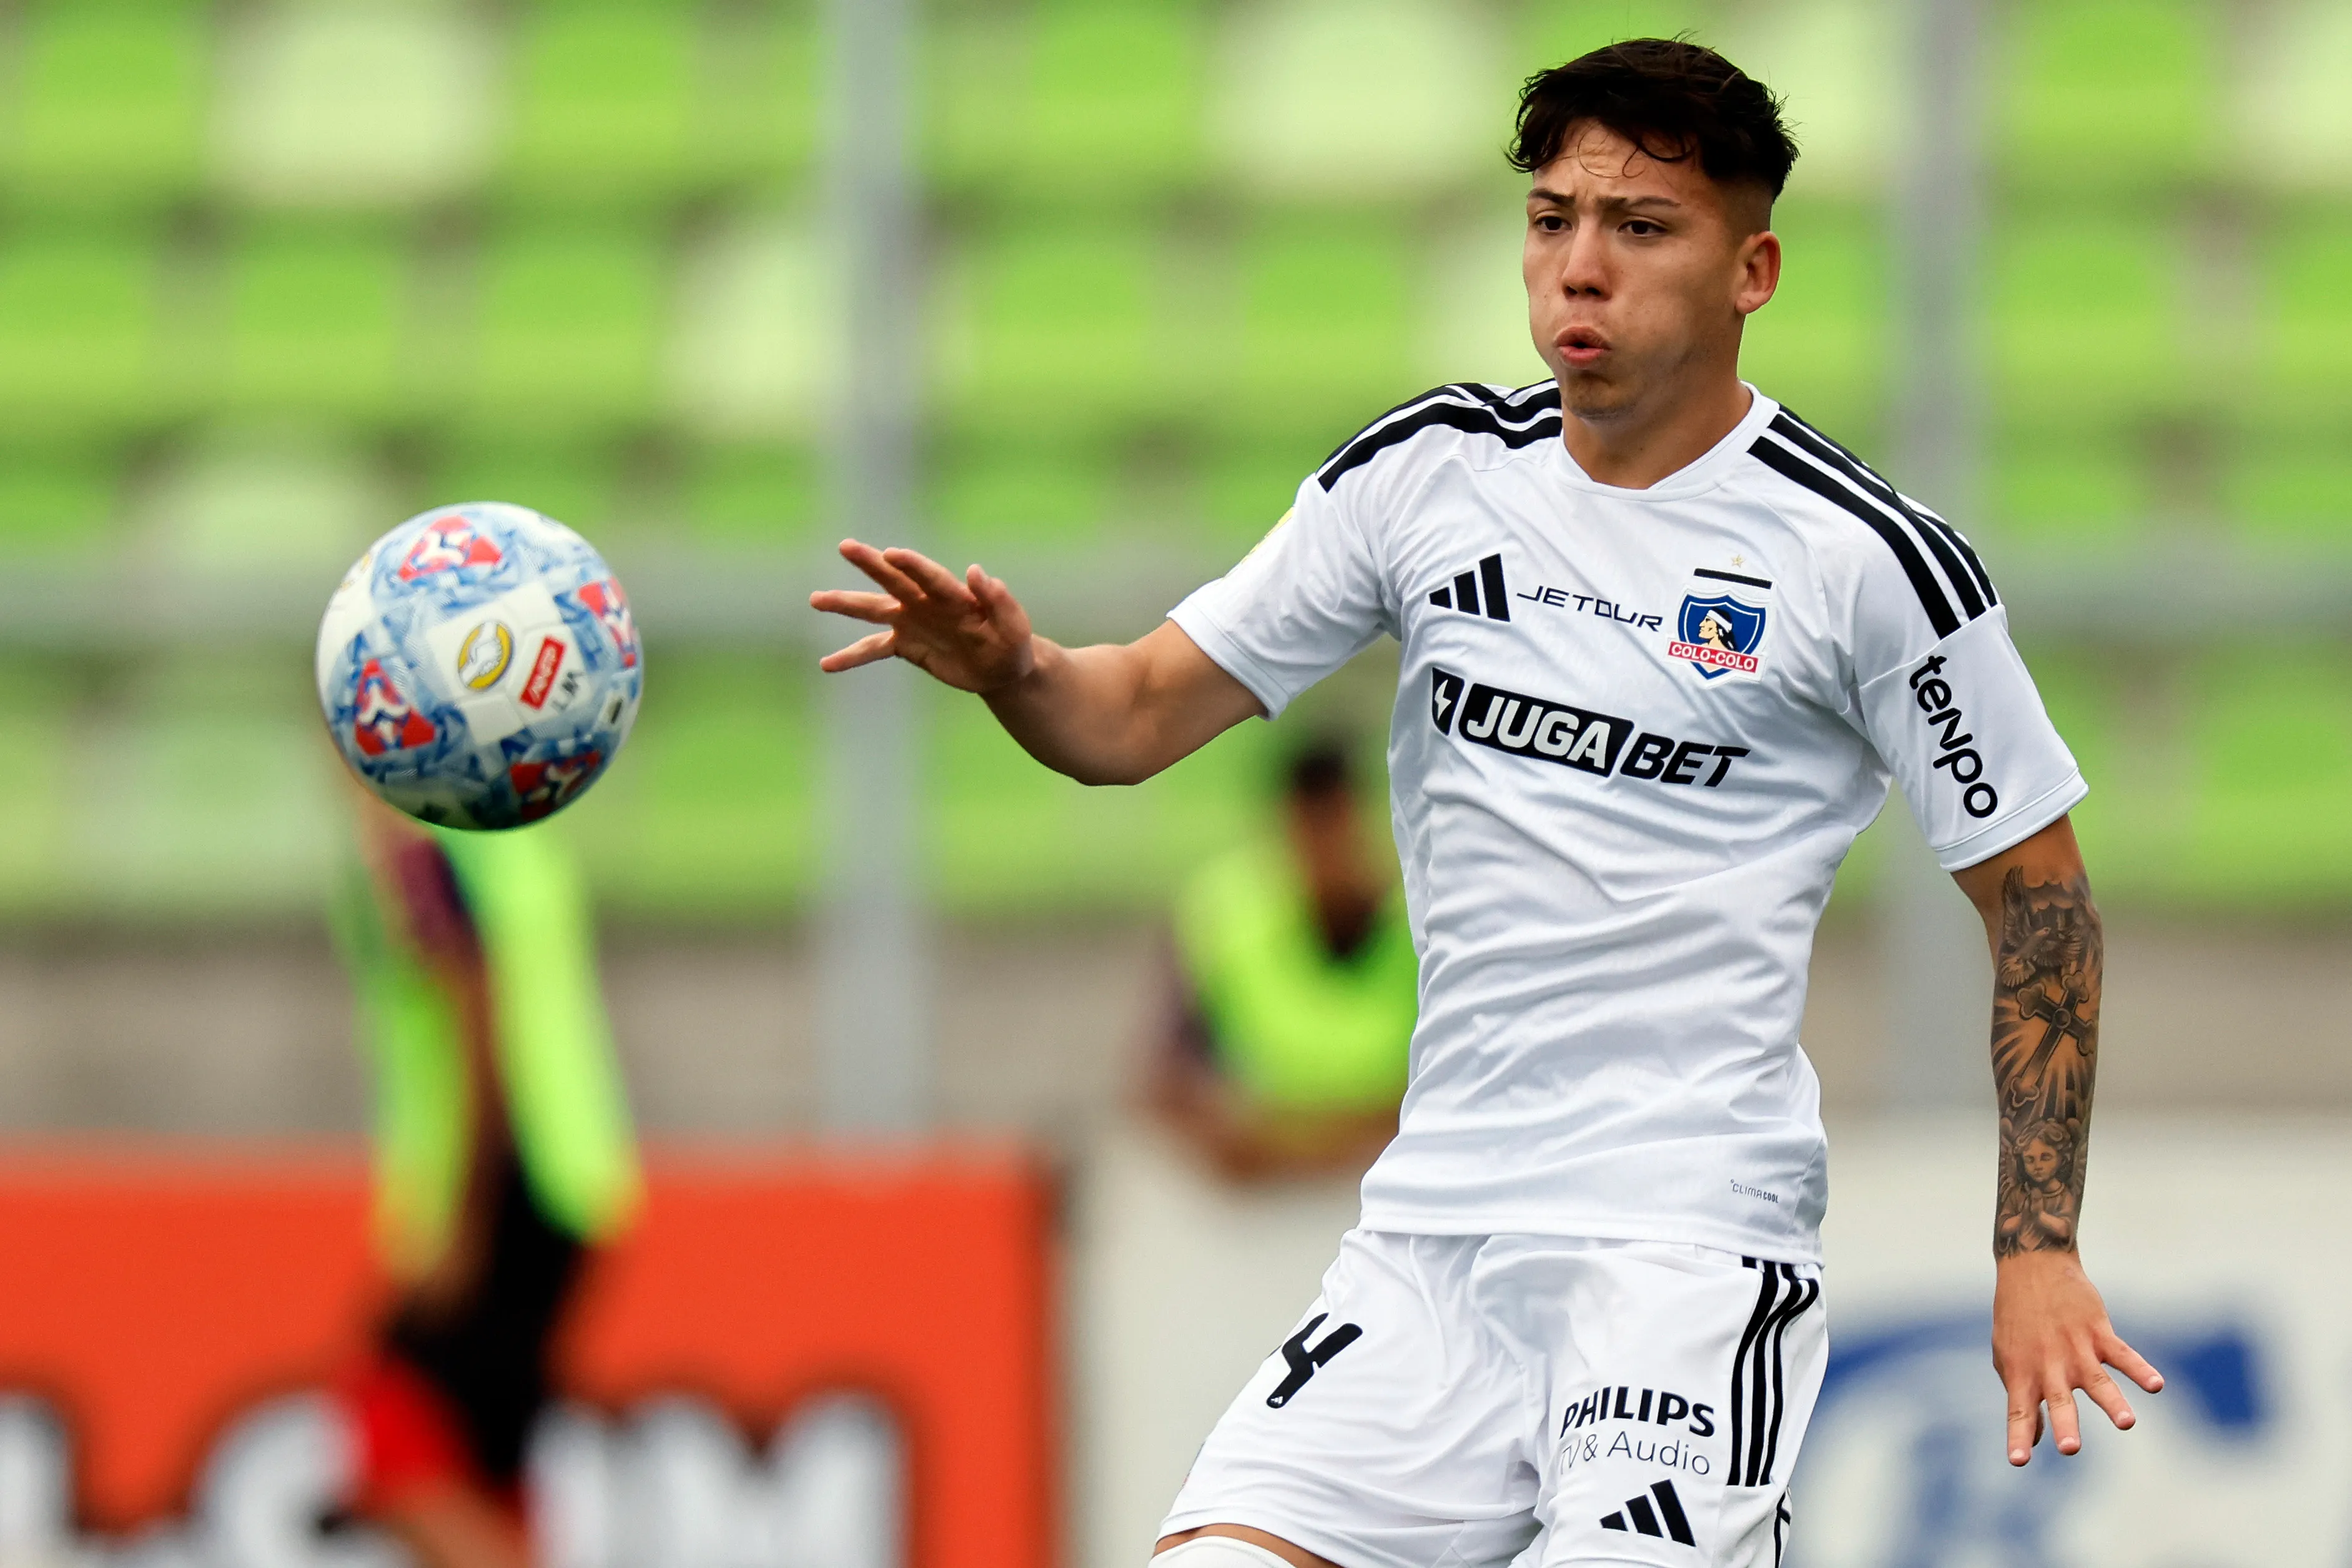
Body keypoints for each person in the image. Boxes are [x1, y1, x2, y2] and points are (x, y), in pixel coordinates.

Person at [812, 37, 2160, 1568]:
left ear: (1753, 268)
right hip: (1431, 1245)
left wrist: (2037, 1242)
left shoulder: (1863, 561)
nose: (1580, 267)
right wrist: (1014, 663)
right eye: (1551, 219)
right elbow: (1126, 716)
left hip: (1683, 1253)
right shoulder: (1430, 477)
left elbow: (2041, 894)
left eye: (1640, 228)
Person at [329, 795, 641, 1568]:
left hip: (504, 1188)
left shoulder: (421, 853)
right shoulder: (506, 834)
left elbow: (475, 1008)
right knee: (483, 1464)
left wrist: (466, 1219)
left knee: (389, 1436)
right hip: (570, 1175)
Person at [1153, 739, 1417, 1181]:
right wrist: (1227, 1137)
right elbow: (1164, 1077)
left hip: (1393, 1175)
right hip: (1268, 1188)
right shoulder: (1221, 913)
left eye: (1335, 822)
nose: (1325, 850)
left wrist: (1312, 1140)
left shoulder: (1423, 914)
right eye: (1310, 825)